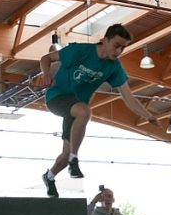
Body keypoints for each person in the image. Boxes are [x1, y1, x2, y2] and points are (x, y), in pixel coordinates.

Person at [39, 24, 162, 198]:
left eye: (123, 48)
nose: (119, 51)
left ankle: (50, 177)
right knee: (85, 112)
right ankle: (75, 160)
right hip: (57, 96)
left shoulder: (114, 68)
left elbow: (128, 98)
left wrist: (149, 116)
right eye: (116, 46)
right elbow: (46, 58)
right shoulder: (80, 51)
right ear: (105, 40)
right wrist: (46, 74)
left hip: (75, 107)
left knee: (64, 155)